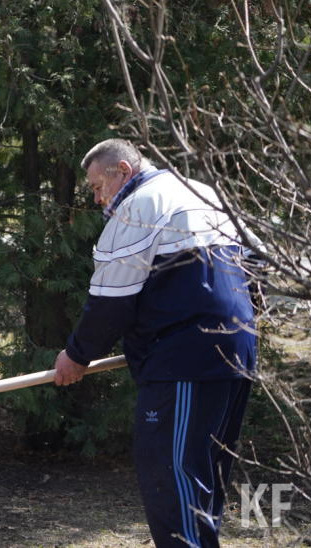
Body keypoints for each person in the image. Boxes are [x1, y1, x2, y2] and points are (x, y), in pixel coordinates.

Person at [53, 139, 257, 547]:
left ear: (124, 172)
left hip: (185, 359)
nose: (96, 199)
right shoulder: (203, 192)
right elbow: (258, 264)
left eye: (97, 186)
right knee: (202, 476)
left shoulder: (138, 207)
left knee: (172, 475)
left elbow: (110, 304)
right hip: (237, 350)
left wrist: (75, 356)